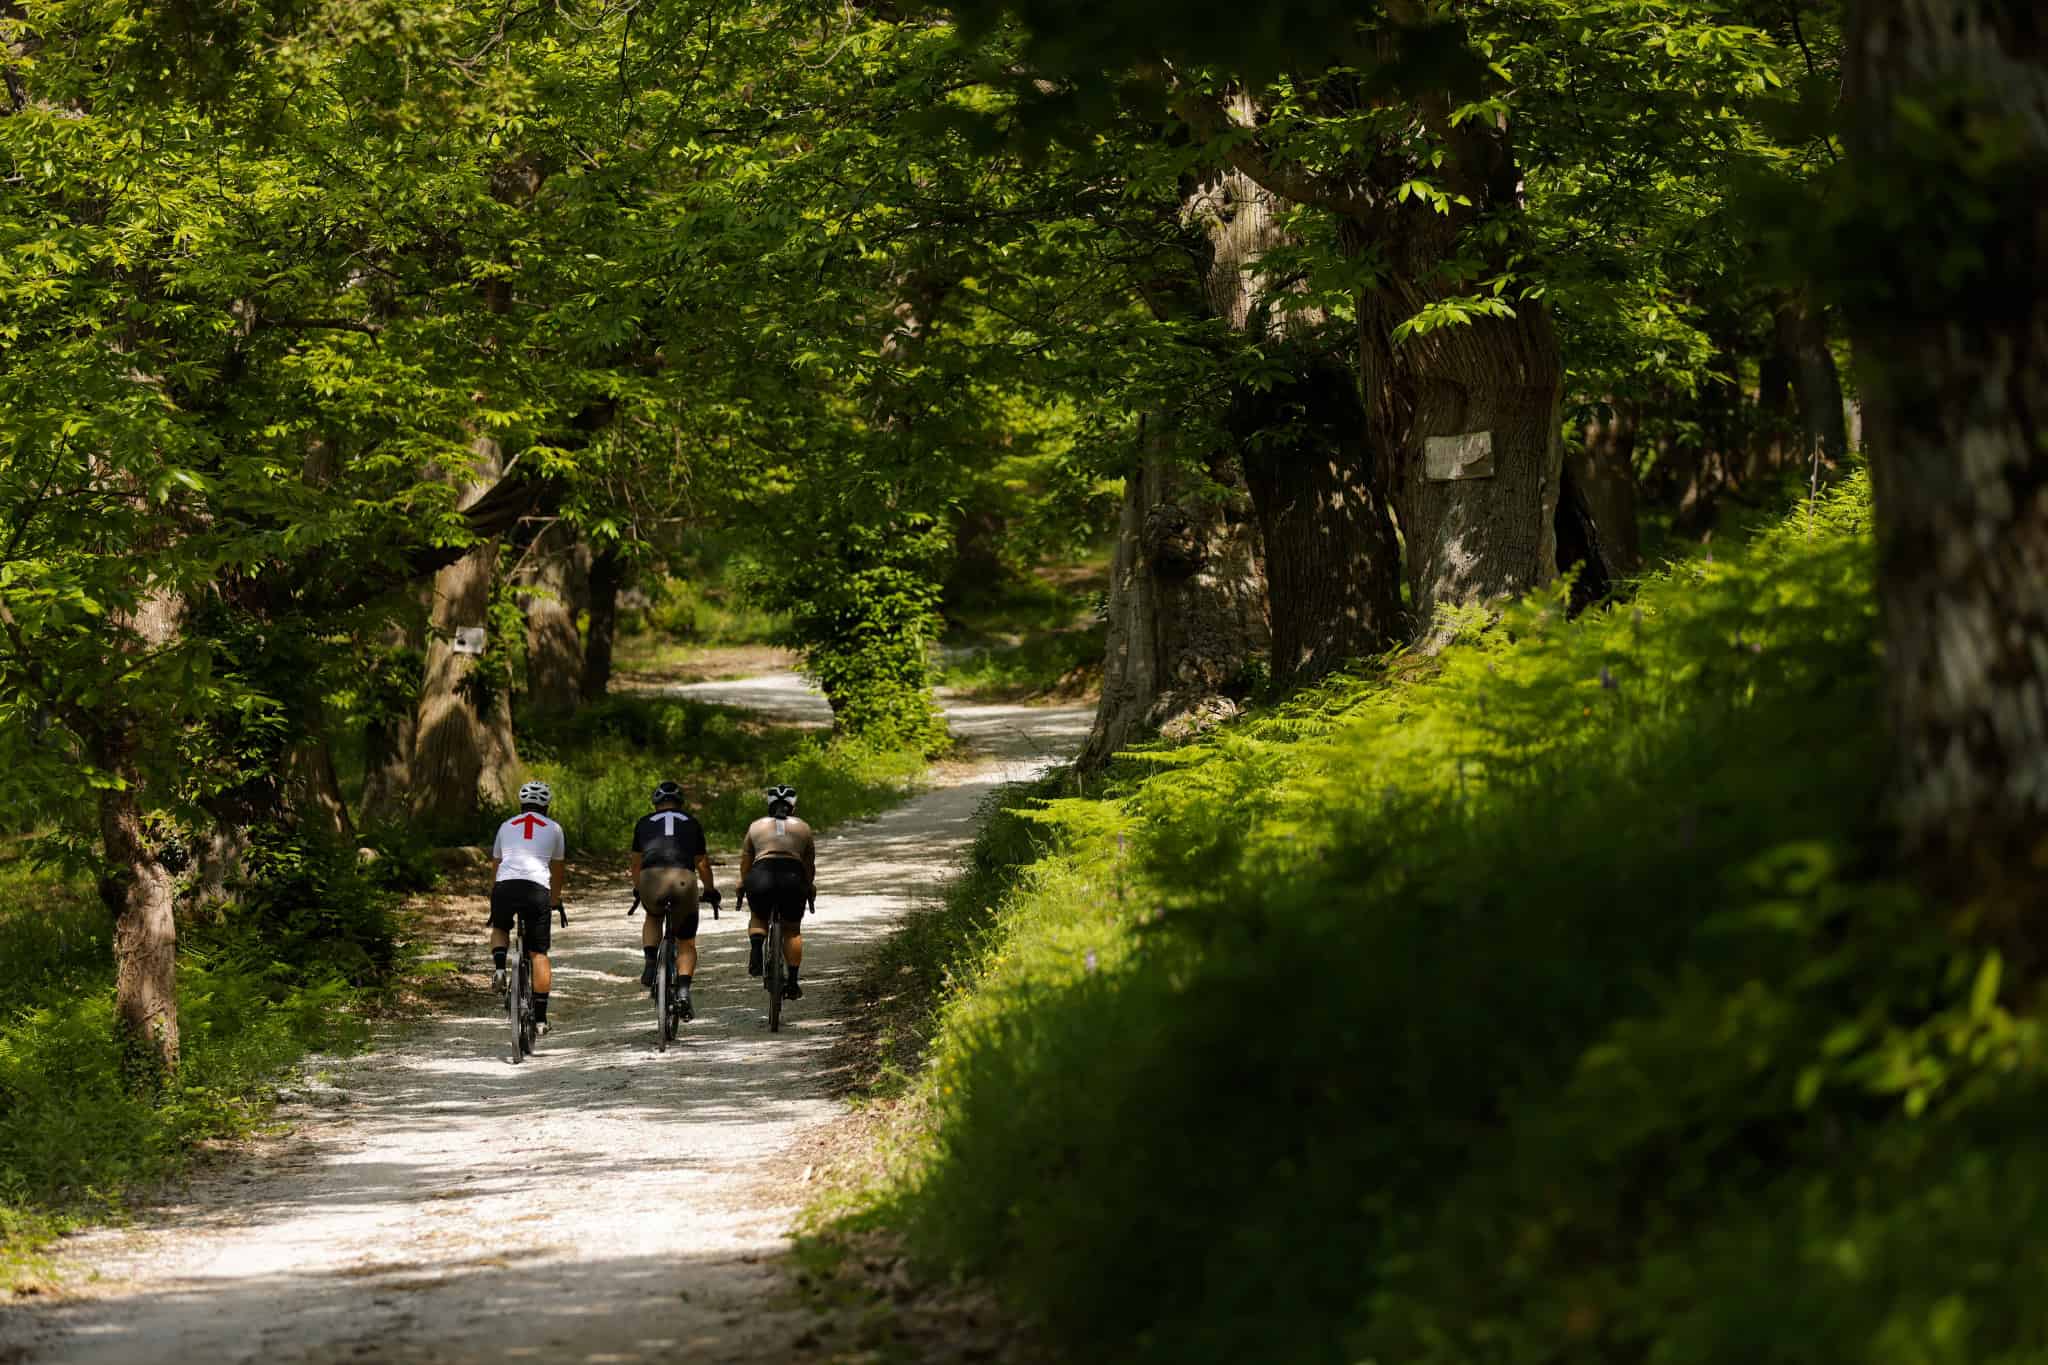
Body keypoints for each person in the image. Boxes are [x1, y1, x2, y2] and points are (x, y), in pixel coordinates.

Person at [630, 779, 719, 1020]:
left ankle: (650, 963)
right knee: (686, 941)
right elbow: (701, 862)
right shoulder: (691, 822)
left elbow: (636, 863)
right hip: (683, 878)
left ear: (656, 803)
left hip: (651, 877)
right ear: (679, 803)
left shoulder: (643, 823)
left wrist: (639, 889)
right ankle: (682, 990)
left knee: (653, 915)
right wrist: (710, 889)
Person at [490, 780, 567, 1034]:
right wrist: (555, 900)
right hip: (536, 889)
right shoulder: (555, 829)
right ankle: (541, 1019)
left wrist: (496, 896)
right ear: (546, 806)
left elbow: (497, 863)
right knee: (538, 954)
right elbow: (557, 870)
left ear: (521, 804)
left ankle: (500, 968)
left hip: (505, 885)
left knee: (501, 926)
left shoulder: (505, 826)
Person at [740, 783, 815, 998]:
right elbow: (808, 865)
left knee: (758, 915)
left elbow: (746, 860)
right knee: (792, 930)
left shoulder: (755, 826)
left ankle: (756, 947)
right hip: (792, 876)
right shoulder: (803, 827)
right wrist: (808, 886)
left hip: (761, 874)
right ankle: (792, 981)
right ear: (793, 806)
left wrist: (743, 883)